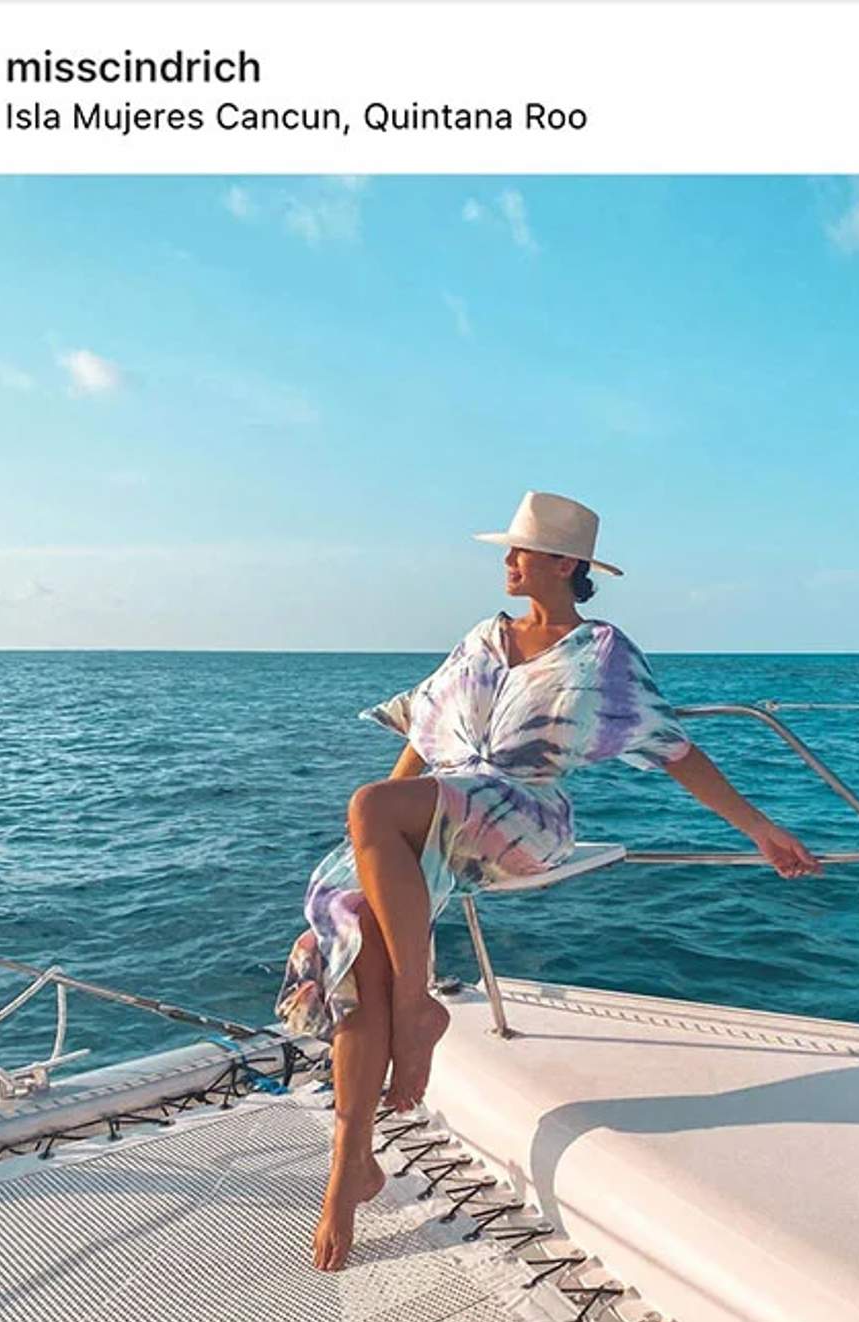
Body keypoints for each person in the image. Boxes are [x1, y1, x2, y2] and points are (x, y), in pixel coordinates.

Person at [277, 491, 822, 1272]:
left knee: (371, 821)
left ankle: (414, 1005)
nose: (507, 560)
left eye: (521, 550)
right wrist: (373, 838)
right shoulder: (481, 639)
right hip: (440, 816)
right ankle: (350, 1165)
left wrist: (759, 827)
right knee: (356, 931)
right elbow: (426, 735)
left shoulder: (601, 652)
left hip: (522, 816)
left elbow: (675, 751)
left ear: (566, 564)